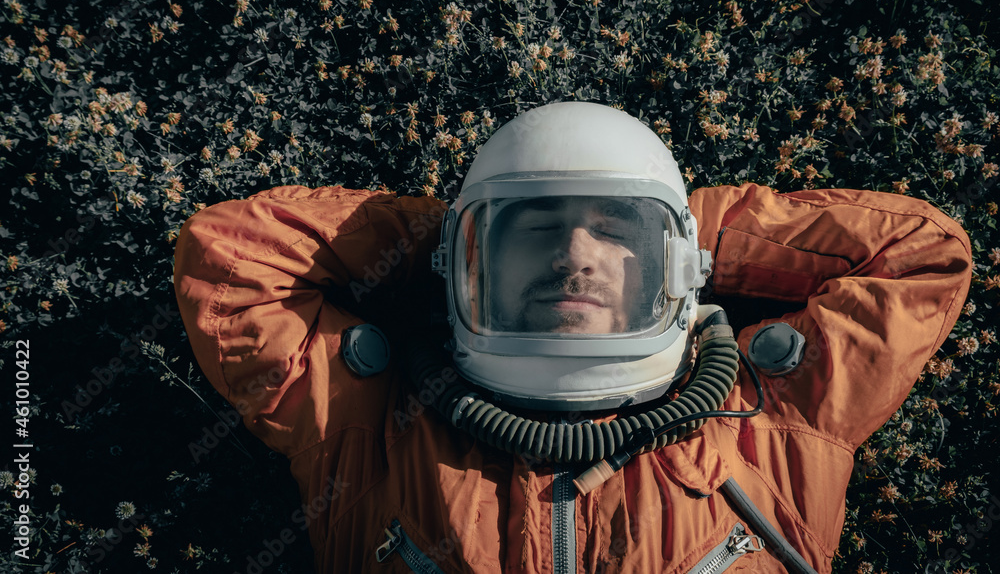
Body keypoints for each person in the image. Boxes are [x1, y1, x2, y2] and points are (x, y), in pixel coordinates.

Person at [173, 102, 972, 573]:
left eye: (617, 231)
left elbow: (923, 256)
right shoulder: (365, 428)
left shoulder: (782, 419)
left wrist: (697, 236)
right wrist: (445, 239)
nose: (575, 255)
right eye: (535, 230)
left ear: (669, 254)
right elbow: (227, 257)